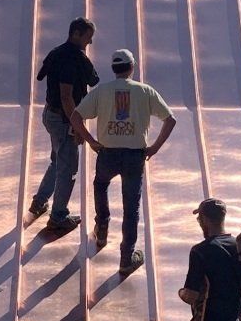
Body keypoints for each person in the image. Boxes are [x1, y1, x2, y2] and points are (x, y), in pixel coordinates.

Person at [73, 49, 175, 276]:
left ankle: (102, 228)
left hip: (107, 153)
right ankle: (126, 258)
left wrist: (91, 141)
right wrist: (155, 147)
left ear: (113, 69)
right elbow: (170, 119)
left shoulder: (102, 91)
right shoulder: (145, 91)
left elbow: (76, 116)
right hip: (134, 156)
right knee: (131, 207)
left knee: (101, 184)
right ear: (132, 67)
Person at [30, 17, 99, 235]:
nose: (89, 42)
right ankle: (58, 216)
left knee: (57, 160)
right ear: (76, 34)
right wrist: (77, 125)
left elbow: (41, 75)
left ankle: (39, 202)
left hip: (51, 115)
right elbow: (67, 96)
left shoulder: (56, 52)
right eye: (87, 37)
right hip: (64, 120)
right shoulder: (73, 59)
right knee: (68, 168)